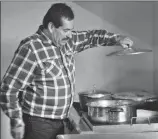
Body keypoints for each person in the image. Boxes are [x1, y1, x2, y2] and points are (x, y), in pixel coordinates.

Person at [0, 3, 133, 139]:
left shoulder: (67, 41)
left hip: (61, 121)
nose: (70, 35)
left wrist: (117, 39)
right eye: (66, 30)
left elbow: (92, 37)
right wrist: (16, 121)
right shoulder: (31, 48)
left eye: (71, 30)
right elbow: (8, 89)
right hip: (38, 125)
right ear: (51, 27)